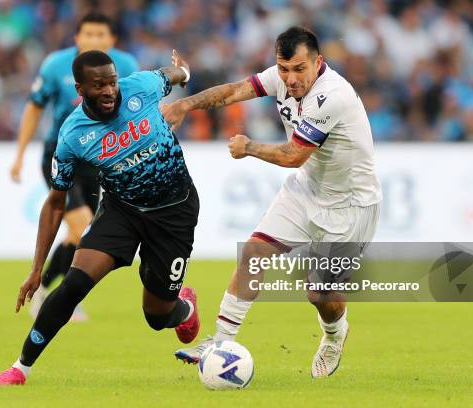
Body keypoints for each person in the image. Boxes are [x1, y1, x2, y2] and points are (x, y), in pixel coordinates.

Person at [162, 26, 382, 378]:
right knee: (253, 253)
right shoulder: (279, 78)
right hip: (306, 189)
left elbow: (294, 155)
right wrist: (185, 104)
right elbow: (233, 92)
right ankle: (219, 344)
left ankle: (334, 333)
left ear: (318, 63)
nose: (291, 79)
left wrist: (248, 147)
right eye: (283, 69)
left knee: (319, 294)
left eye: (299, 69)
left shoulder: (332, 96)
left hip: (350, 205)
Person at [0, 49, 200, 386]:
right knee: (74, 285)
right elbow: (56, 203)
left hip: (173, 211)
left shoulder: (142, 86)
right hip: (122, 212)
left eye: (112, 83)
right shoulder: (72, 136)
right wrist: (36, 270)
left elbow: (173, 74)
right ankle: (19, 369)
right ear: (80, 89)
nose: (110, 91)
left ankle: (184, 307)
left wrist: (183, 71)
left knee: (157, 316)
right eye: (99, 85)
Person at [9, 12, 139, 321]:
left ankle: (47, 290)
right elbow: (34, 107)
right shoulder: (56, 65)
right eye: (88, 34)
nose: (94, 40)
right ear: (77, 38)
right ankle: (57, 295)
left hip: (97, 162)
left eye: (101, 35)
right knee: (82, 228)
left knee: (77, 234)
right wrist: (19, 154)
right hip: (60, 156)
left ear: (112, 40)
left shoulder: (127, 66)